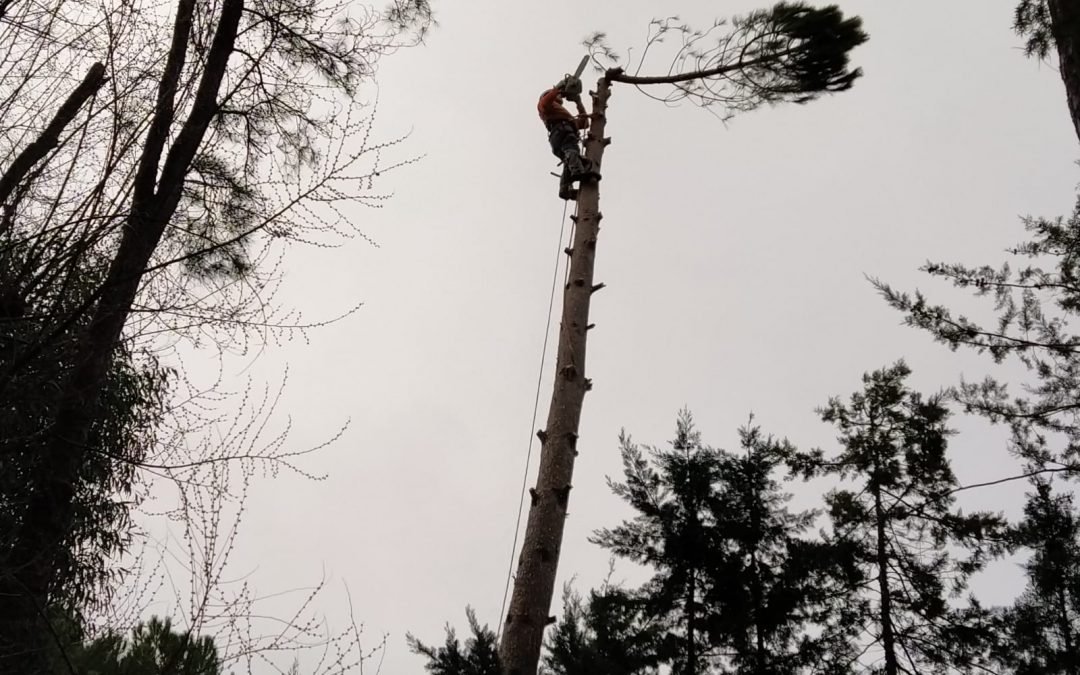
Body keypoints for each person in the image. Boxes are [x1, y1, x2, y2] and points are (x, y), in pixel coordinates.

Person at [537, 76, 597, 200]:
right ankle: (578, 172)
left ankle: (565, 188)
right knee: (572, 152)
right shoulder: (546, 106)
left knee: (571, 161)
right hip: (562, 132)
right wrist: (558, 88)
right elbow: (545, 102)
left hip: (562, 133)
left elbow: (584, 123)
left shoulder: (562, 113)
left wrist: (578, 102)